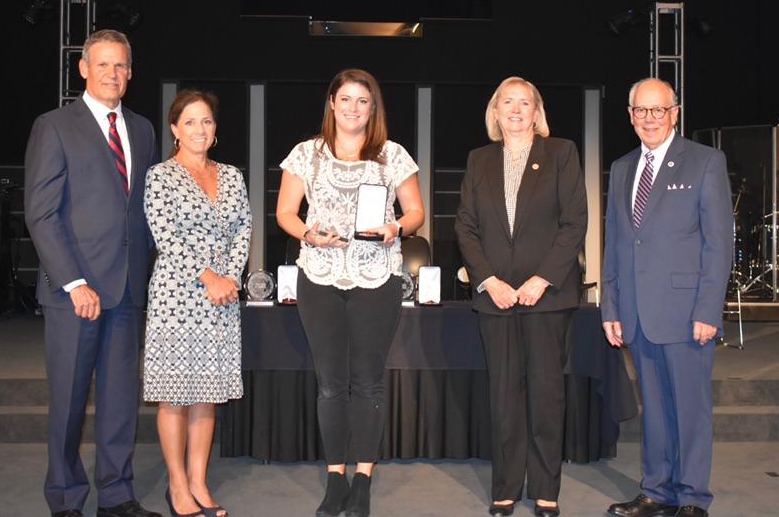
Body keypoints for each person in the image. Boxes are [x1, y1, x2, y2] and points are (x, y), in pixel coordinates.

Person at [24, 29, 162, 517]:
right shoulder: (54, 126)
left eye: (120, 65)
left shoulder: (143, 130)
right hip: (74, 293)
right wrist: (74, 282)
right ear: (83, 69)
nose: (112, 74)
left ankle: (117, 495)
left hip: (126, 289)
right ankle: (65, 498)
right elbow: (41, 214)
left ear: (131, 72)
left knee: (120, 401)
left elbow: (143, 211)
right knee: (67, 400)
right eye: (102, 64)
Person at [276, 69, 424, 517]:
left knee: (368, 381)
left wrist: (395, 228)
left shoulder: (393, 155)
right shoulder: (306, 153)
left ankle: (363, 479)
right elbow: (285, 212)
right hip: (319, 276)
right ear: (332, 103)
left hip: (376, 278)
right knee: (330, 384)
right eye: (346, 99)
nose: (353, 108)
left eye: (363, 101)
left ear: (373, 107)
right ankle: (335, 477)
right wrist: (308, 234)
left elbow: (416, 212)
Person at [455, 76, 587, 517]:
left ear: (537, 112)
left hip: (546, 298)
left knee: (546, 394)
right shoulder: (478, 160)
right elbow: (466, 227)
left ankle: (546, 488)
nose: (515, 109)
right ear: (495, 112)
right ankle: (506, 488)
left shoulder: (561, 153)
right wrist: (488, 280)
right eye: (507, 102)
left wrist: (541, 279)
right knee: (504, 396)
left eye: (524, 102)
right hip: (495, 298)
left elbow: (574, 222)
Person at [601, 78, 732, 517]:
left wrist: (708, 309)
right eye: (641, 110)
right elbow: (616, 243)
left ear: (674, 113)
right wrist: (612, 306)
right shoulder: (622, 167)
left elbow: (718, 244)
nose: (650, 119)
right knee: (654, 410)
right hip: (637, 312)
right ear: (630, 115)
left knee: (690, 410)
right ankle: (657, 492)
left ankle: (692, 497)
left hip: (687, 312)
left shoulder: (705, 161)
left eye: (658, 110)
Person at [144, 89, 252, 517]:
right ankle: (177, 487)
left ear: (215, 128)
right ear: (175, 129)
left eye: (206, 121)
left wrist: (230, 278)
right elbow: (165, 236)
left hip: (222, 297)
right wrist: (209, 277)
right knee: (175, 393)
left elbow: (244, 228)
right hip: (177, 296)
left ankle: (198, 482)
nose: (199, 129)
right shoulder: (160, 176)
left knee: (207, 392)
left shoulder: (231, 176)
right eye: (189, 122)